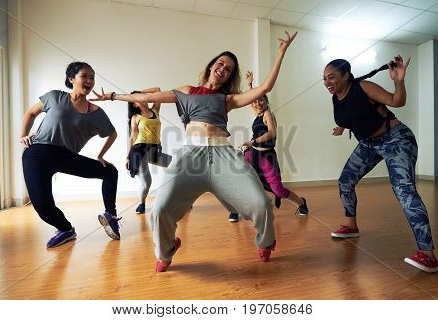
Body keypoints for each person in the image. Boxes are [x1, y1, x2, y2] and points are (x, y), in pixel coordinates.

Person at [92, 30, 298, 272]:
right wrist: (113, 96)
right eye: (221, 63)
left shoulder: (228, 98)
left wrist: (282, 52)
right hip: (190, 155)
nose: (223, 68)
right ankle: (166, 251)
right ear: (211, 66)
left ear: (230, 76)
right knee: (159, 210)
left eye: (229, 68)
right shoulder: (186, 91)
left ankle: (266, 241)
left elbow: (264, 87)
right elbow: (147, 96)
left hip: (223, 155)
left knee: (261, 202)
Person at [323, 55, 437, 273]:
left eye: (332, 77)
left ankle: (428, 255)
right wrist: (341, 128)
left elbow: (397, 101)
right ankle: (351, 226)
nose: (328, 82)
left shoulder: (364, 87)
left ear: (346, 76)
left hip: (396, 139)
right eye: (324, 79)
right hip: (369, 144)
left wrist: (399, 81)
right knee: (345, 181)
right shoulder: (336, 97)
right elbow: (351, 116)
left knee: (405, 192)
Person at [20, 62, 120, 248]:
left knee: (110, 171)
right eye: (85, 76)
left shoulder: (96, 113)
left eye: (92, 77)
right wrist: (23, 135)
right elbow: (31, 113)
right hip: (37, 154)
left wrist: (101, 155)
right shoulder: (55, 97)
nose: (89, 80)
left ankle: (111, 215)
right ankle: (66, 229)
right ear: (71, 78)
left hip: (66, 156)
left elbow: (112, 133)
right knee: (42, 207)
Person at [228, 70, 308, 223]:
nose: (258, 103)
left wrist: (253, 142)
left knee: (278, 189)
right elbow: (252, 98)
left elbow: (272, 133)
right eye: (255, 101)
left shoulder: (267, 114)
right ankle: (235, 210)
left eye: (261, 100)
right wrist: (250, 84)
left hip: (266, 156)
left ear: (266, 101)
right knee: (240, 179)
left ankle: (302, 203)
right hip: (252, 154)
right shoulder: (257, 112)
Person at [126, 87, 165, 214]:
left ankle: (179, 198)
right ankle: (141, 203)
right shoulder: (136, 117)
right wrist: (127, 156)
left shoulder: (155, 110)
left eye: (143, 97)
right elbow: (133, 137)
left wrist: (139, 93)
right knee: (146, 182)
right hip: (139, 150)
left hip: (154, 149)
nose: (143, 100)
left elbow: (158, 90)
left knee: (176, 168)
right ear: (134, 104)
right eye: (138, 99)